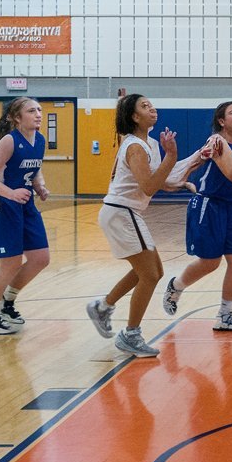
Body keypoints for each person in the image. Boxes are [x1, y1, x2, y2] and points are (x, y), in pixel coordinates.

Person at [86, 94, 182, 359]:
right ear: (134, 117)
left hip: (127, 212)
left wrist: (193, 163)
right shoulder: (135, 146)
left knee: (153, 271)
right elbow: (150, 186)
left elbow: (160, 181)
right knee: (149, 275)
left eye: (151, 103)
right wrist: (172, 157)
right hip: (121, 212)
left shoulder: (149, 142)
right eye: (144, 105)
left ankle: (103, 307)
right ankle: (130, 335)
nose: (152, 107)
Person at [163, 101, 232, 332]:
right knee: (210, 262)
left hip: (229, 206)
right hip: (207, 204)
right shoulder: (217, 142)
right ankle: (176, 286)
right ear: (221, 121)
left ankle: (225, 315)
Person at [0, 99, 49, 335]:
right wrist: (11, 193)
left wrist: (40, 185)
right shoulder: (9, 141)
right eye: (31, 111)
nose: (38, 114)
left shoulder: (40, 140)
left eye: (39, 110)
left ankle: (7, 301)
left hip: (25, 204)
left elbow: (33, 168)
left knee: (40, 258)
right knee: (11, 264)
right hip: (4, 204)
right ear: (16, 118)